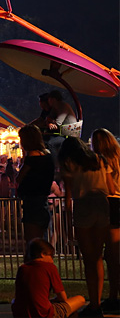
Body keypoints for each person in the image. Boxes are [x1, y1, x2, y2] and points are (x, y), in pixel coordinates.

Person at [59, 136, 110, 316]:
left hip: (84, 204)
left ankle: (94, 305)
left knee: (88, 258)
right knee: (97, 257)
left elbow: (68, 195)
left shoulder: (68, 162)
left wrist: (68, 220)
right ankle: (97, 303)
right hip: (102, 203)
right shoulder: (99, 159)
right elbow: (109, 186)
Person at [11, 238, 85, 318]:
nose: (52, 260)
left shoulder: (22, 268)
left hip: (21, 313)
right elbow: (63, 298)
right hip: (44, 314)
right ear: (43, 254)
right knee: (80, 299)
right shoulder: (49, 267)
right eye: (51, 256)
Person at [90, 128, 120, 314]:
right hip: (118, 202)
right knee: (114, 254)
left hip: (107, 202)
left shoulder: (102, 161)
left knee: (104, 254)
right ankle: (113, 295)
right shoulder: (117, 158)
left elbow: (109, 187)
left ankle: (109, 297)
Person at [16, 124, 55, 246]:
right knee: (41, 240)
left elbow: (19, 178)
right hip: (43, 200)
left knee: (32, 242)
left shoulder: (31, 157)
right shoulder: (47, 155)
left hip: (32, 202)